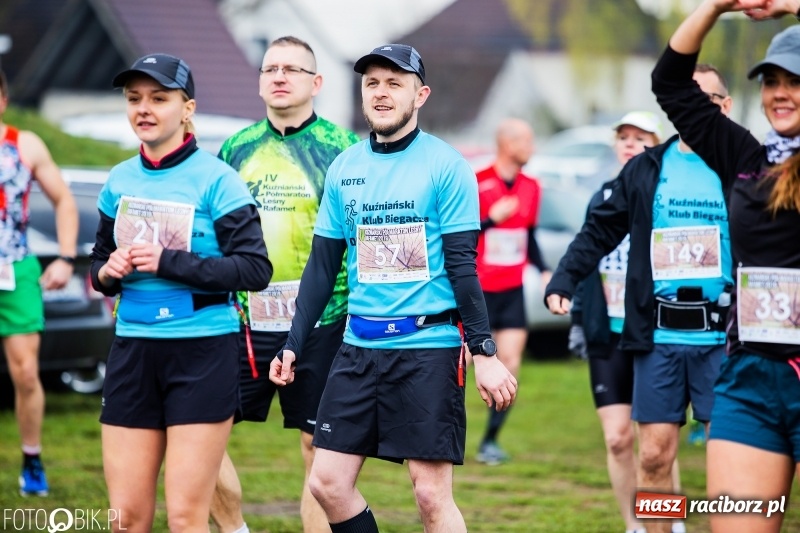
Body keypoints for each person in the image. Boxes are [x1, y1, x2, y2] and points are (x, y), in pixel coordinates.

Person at [269, 43, 517, 533]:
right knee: (327, 483)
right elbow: (322, 267)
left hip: (427, 348)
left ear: (419, 95)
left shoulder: (446, 165)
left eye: (394, 83)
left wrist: (483, 351)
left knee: (430, 495)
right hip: (357, 347)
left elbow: (463, 266)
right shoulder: (344, 168)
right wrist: (294, 342)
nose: (381, 93)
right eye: (372, 84)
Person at [546, 65, 735, 533]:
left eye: (706, 100)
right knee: (653, 456)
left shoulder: (743, 164)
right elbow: (599, 229)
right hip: (658, 336)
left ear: (726, 107)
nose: (694, 110)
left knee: (729, 460)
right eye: (686, 100)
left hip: (725, 337)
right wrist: (564, 279)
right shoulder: (648, 168)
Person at [90, 53, 272, 532]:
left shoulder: (218, 180)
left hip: (201, 352)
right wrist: (107, 272)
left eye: (158, 99)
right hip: (133, 350)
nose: (143, 108)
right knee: (126, 519)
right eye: (134, 99)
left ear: (187, 108)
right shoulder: (119, 180)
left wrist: (169, 262)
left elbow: (255, 269)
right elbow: (98, 264)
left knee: (186, 518)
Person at [653, 1, 800, 530]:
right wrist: (715, 6)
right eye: (772, 81)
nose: (780, 93)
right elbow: (670, 83)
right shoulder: (747, 159)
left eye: (795, 81)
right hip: (750, 380)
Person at [211, 35, 359, 533]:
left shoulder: (344, 150)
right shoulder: (235, 148)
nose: (279, 77)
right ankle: (235, 529)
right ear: (259, 82)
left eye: (292, 69)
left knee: (318, 446)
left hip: (323, 319)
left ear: (316, 83)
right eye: (270, 69)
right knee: (201, 432)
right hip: (245, 319)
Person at [568, 112, 685, 533]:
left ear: (657, 146)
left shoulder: (667, 195)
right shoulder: (601, 197)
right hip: (606, 334)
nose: (630, 144)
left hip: (652, 333)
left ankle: (667, 521)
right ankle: (634, 525)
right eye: (623, 137)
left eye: (641, 137)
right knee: (618, 438)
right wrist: (579, 320)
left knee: (656, 439)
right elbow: (585, 257)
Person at [0, 70, 78, 497]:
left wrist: (65, 258)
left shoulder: (24, 144)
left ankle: (31, 458)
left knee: (27, 373)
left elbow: (64, 199)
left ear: (3, 100)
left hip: (15, 270)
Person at [474, 117, 550, 465]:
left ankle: (490, 440)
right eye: (527, 142)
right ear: (508, 144)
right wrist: (491, 219)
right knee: (459, 365)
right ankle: (444, 435)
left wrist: (545, 270)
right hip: (478, 291)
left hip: (512, 290)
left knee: (511, 363)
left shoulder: (532, 186)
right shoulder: (477, 182)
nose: (532, 149)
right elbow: (459, 236)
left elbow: (529, 235)